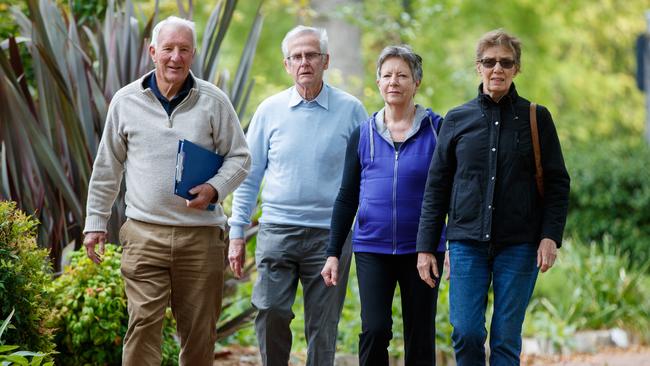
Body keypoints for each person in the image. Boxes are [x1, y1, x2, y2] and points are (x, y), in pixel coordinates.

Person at [82, 16, 251, 366]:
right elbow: (107, 165)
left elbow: (240, 157)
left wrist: (215, 188)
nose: (176, 57)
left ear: (193, 54)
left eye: (184, 49)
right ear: (152, 51)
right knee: (142, 325)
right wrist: (96, 221)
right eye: (169, 49)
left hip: (201, 240)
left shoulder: (213, 102)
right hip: (144, 234)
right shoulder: (126, 101)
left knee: (198, 334)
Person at [416, 29, 570, 365]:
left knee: (505, 337)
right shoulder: (457, 119)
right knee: (466, 331)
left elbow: (558, 183)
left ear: (517, 68)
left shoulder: (536, 118)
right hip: (466, 243)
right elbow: (437, 186)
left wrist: (550, 238)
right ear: (478, 67)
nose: (497, 68)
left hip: (520, 245)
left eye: (505, 62)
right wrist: (427, 246)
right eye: (489, 62)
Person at [227, 25, 368, 366]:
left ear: (326, 61)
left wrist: (362, 231)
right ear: (287, 64)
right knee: (271, 310)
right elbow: (249, 175)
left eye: (312, 55)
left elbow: (368, 175)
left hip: (331, 237)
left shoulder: (351, 111)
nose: (304, 62)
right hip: (277, 230)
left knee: (323, 325)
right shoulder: (269, 111)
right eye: (297, 56)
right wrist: (236, 232)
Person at [321, 45, 446, 366]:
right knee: (375, 329)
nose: (394, 81)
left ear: (416, 82)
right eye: (387, 75)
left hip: (423, 250)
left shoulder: (437, 130)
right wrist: (333, 252)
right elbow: (347, 196)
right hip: (372, 248)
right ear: (378, 82)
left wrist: (445, 245)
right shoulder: (362, 134)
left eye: (402, 75)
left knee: (420, 333)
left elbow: (451, 192)